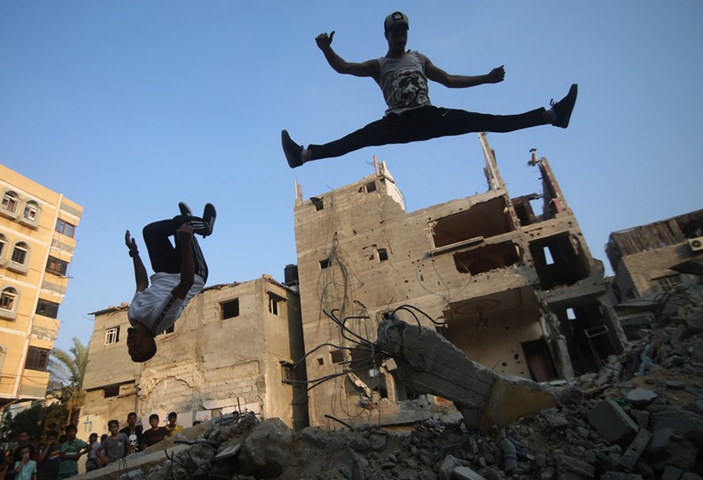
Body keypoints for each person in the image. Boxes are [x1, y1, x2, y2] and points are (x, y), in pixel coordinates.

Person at [281, 11, 578, 169]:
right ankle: (303, 156)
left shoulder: (419, 58)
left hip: (430, 117)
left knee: (489, 120)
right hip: (397, 122)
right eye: (395, 31)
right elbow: (344, 67)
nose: (400, 35)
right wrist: (326, 50)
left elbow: (449, 79)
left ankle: (552, 115)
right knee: (354, 140)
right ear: (386, 35)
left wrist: (485, 78)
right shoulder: (378, 65)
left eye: (403, 31)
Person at [125, 202, 216, 363]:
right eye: (137, 348)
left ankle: (188, 221)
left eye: (130, 350)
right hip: (191, 272)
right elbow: (185, 283)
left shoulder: (133, 316)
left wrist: (134, 253)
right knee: (182, 225)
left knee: (151, 231)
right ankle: (205, 226)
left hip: (164, 270)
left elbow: (141, 284)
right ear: (149, 341)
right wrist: (186, 243)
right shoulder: (159, 320)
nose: (131, 346)